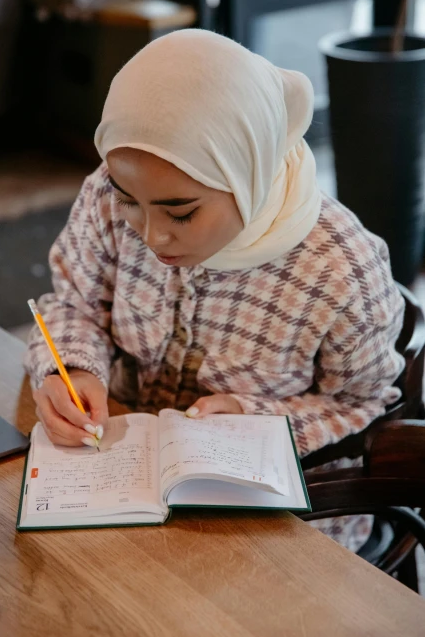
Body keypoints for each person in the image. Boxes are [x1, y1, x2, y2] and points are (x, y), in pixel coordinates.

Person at [25, 29, 404, 548]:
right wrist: (70, 369)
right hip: (122, 488)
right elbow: (73, 305)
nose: (152, 235)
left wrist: (257, 419)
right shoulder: (107, 196)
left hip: (284, 526)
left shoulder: (339, 270)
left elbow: (365, 404)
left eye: (181, 212)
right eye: (129, 200)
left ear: (250, 172)